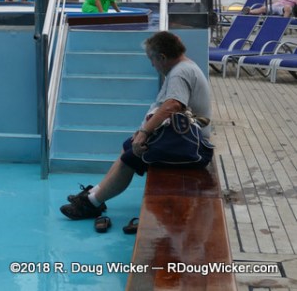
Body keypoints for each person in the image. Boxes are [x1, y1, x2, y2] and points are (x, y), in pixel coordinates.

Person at [60, 31, 212, 220]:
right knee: (128, 146)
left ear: (162, 57)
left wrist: (145, 132)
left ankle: (92, 204)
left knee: (131, 157)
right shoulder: (183, 67)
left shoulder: (180, 73)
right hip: (184, 140)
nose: (152, 65)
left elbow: (173, 105)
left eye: (152, 59)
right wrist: (141, 132)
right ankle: (94, 193)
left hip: (191, 146)